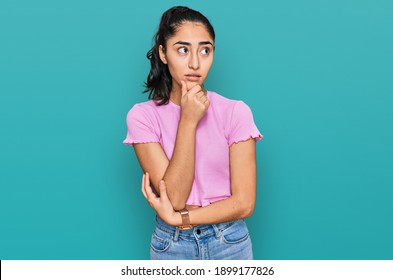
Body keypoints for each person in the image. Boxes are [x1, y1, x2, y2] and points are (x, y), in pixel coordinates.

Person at [123, 6, 263, 260]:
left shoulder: (236, 112)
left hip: (229, 242)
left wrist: (181, 218)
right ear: (163, 53)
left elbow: (244, 203)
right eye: (183, 50)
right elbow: (175, 198)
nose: (195, 63)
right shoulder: (142, 117)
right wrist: (188, 120)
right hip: (172, 246)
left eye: (205, 50)